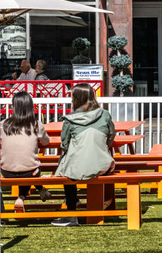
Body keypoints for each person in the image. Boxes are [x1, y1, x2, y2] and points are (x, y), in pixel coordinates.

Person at [52, 83, 115, 226]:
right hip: (104, 166)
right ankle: (103, 201)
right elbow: (111, 137)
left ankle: (71, 211)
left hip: (76, 170)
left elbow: (65, 144)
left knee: (64, 167)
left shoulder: (69, 119)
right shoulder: (104, 114)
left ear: (76, 99)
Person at [0, 91, 52, 212]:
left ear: (14, 107)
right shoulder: (36, 125)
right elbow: (46, 142)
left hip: (6, 170)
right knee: (30, 169)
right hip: (30, 171)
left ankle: (24, 196)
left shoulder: (3, 124)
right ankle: (29, 194)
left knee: (24, 167)